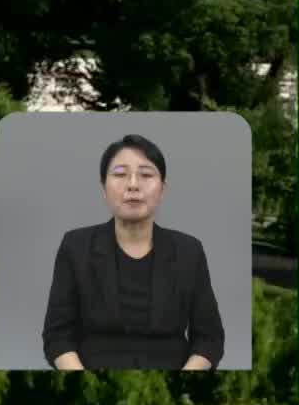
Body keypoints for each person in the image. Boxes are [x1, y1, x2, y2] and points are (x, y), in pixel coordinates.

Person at [42, 134, 224, 370]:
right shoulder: (76, 246)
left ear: (162, 190)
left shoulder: (189, 251)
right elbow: (57, 335)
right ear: (103, 188)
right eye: (120, 174)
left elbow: (209, 338)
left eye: (146, 175)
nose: (133, 185)